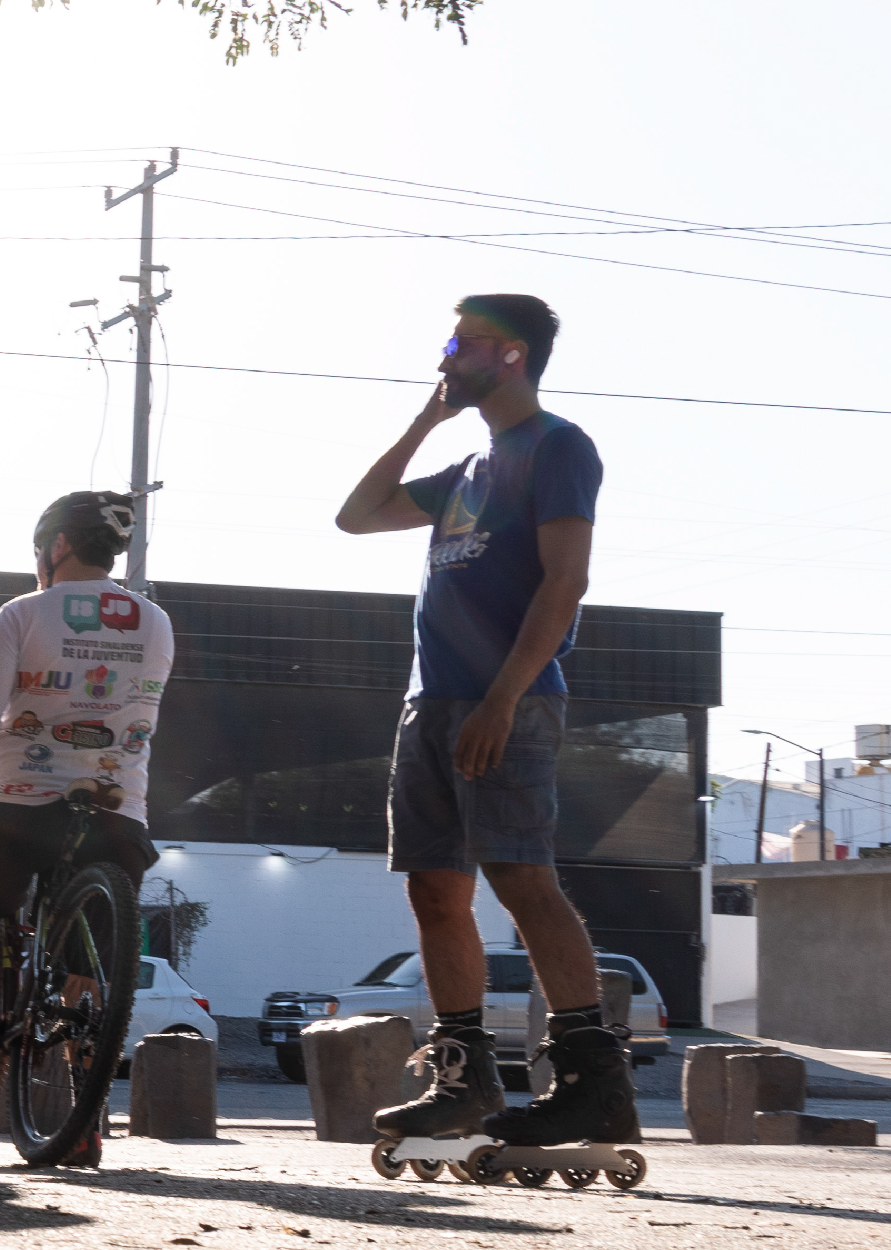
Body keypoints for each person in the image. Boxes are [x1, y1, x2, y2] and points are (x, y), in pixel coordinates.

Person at [333, 295, 628, 1147]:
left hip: (507, 700)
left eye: (459, 343)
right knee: (433, 888)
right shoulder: (466, 468)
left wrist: (502, 699)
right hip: (429, 702)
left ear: (508, 353)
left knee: (520, 876)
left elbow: (564, 581)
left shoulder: (558, 447)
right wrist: (426, 420)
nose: (443, 356)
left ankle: (591, 1082)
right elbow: (355, 515)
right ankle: (463, 1081)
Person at [0, 493, 169, 1105]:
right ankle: (84, 1113)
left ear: (58, 545)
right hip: (118, 810)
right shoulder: (155, 621)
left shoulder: (22, 612)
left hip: (19, 802)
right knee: (87, 965)